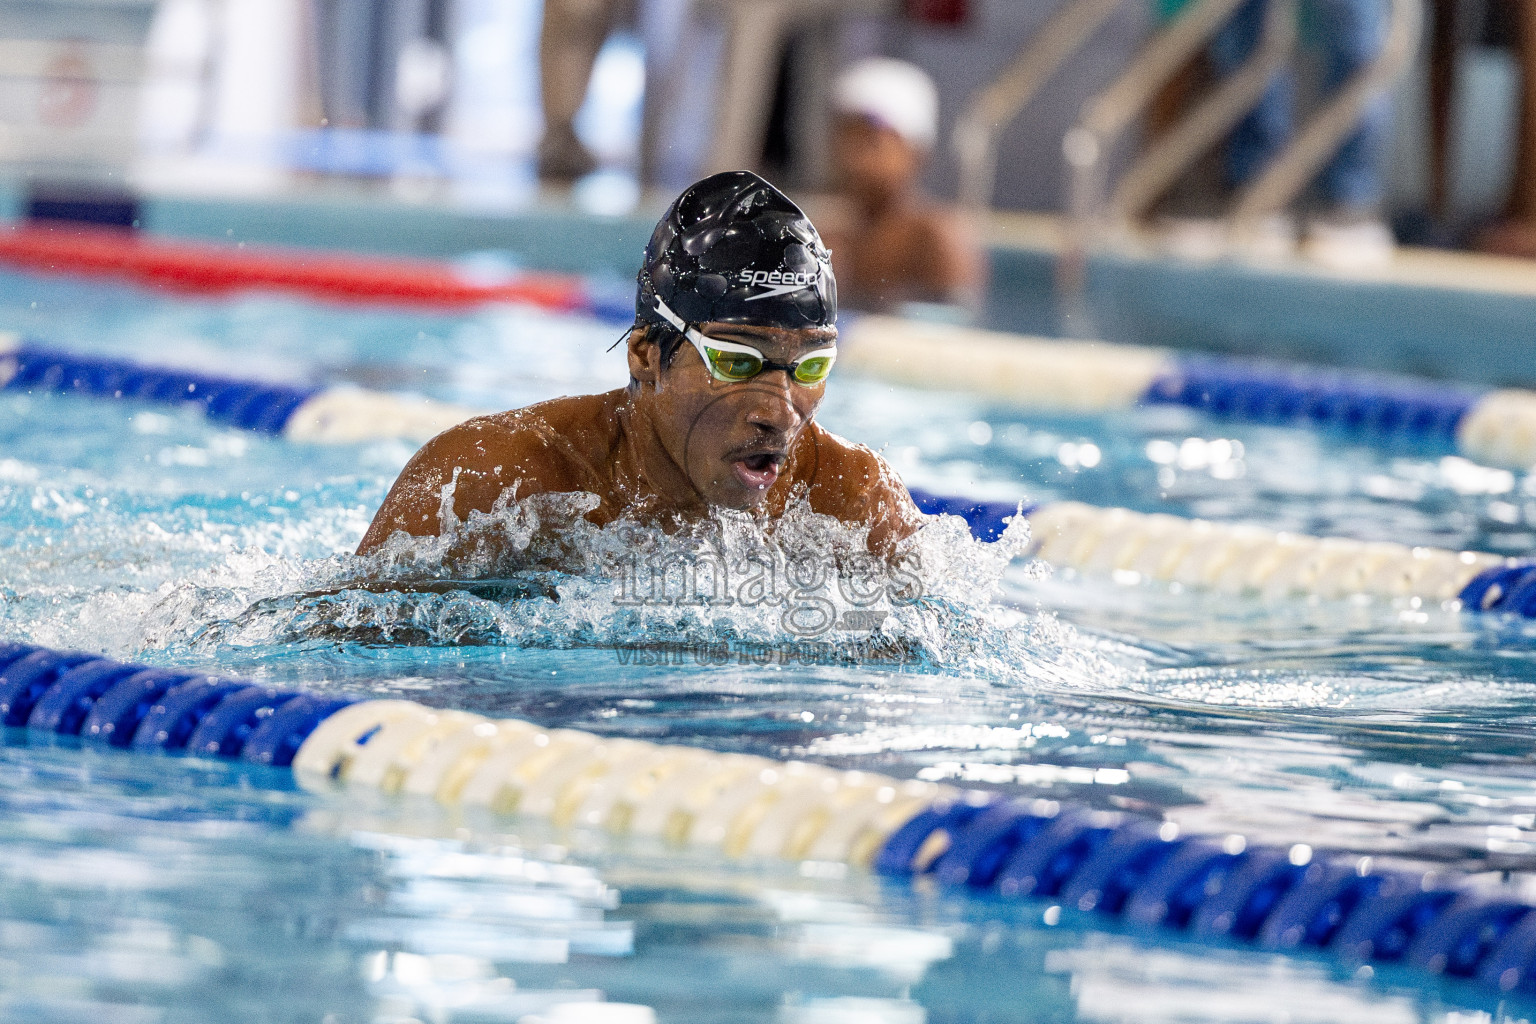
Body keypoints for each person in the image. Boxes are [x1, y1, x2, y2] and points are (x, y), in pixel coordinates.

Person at [356, 170, 923, 564]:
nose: (779, 411)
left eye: (809, 366)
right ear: (646, 354)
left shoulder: (852, 503)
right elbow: (337, 642)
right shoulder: (494, 483)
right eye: (735, 361)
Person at [816, 58, 985, 314]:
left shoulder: (936, 240)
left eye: (871, 142)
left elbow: (954, 336)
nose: (853, 156)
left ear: (916, 152)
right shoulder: (829, 240)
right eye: (845, 137)